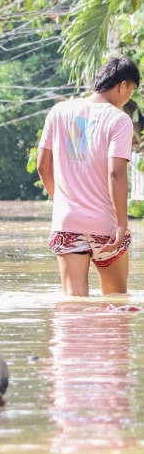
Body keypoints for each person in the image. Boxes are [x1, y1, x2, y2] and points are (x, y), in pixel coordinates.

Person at [36, 56, 139, 296]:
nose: (129, 97)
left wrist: (62, 203)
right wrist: (122, 223)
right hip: (105, 224)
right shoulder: (118, 120)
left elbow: (42, 166)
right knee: (115, 304)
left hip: (67, 222)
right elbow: (115, 173)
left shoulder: (59, 111)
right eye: (131, 90)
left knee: (74, 306)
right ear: (123, 85)